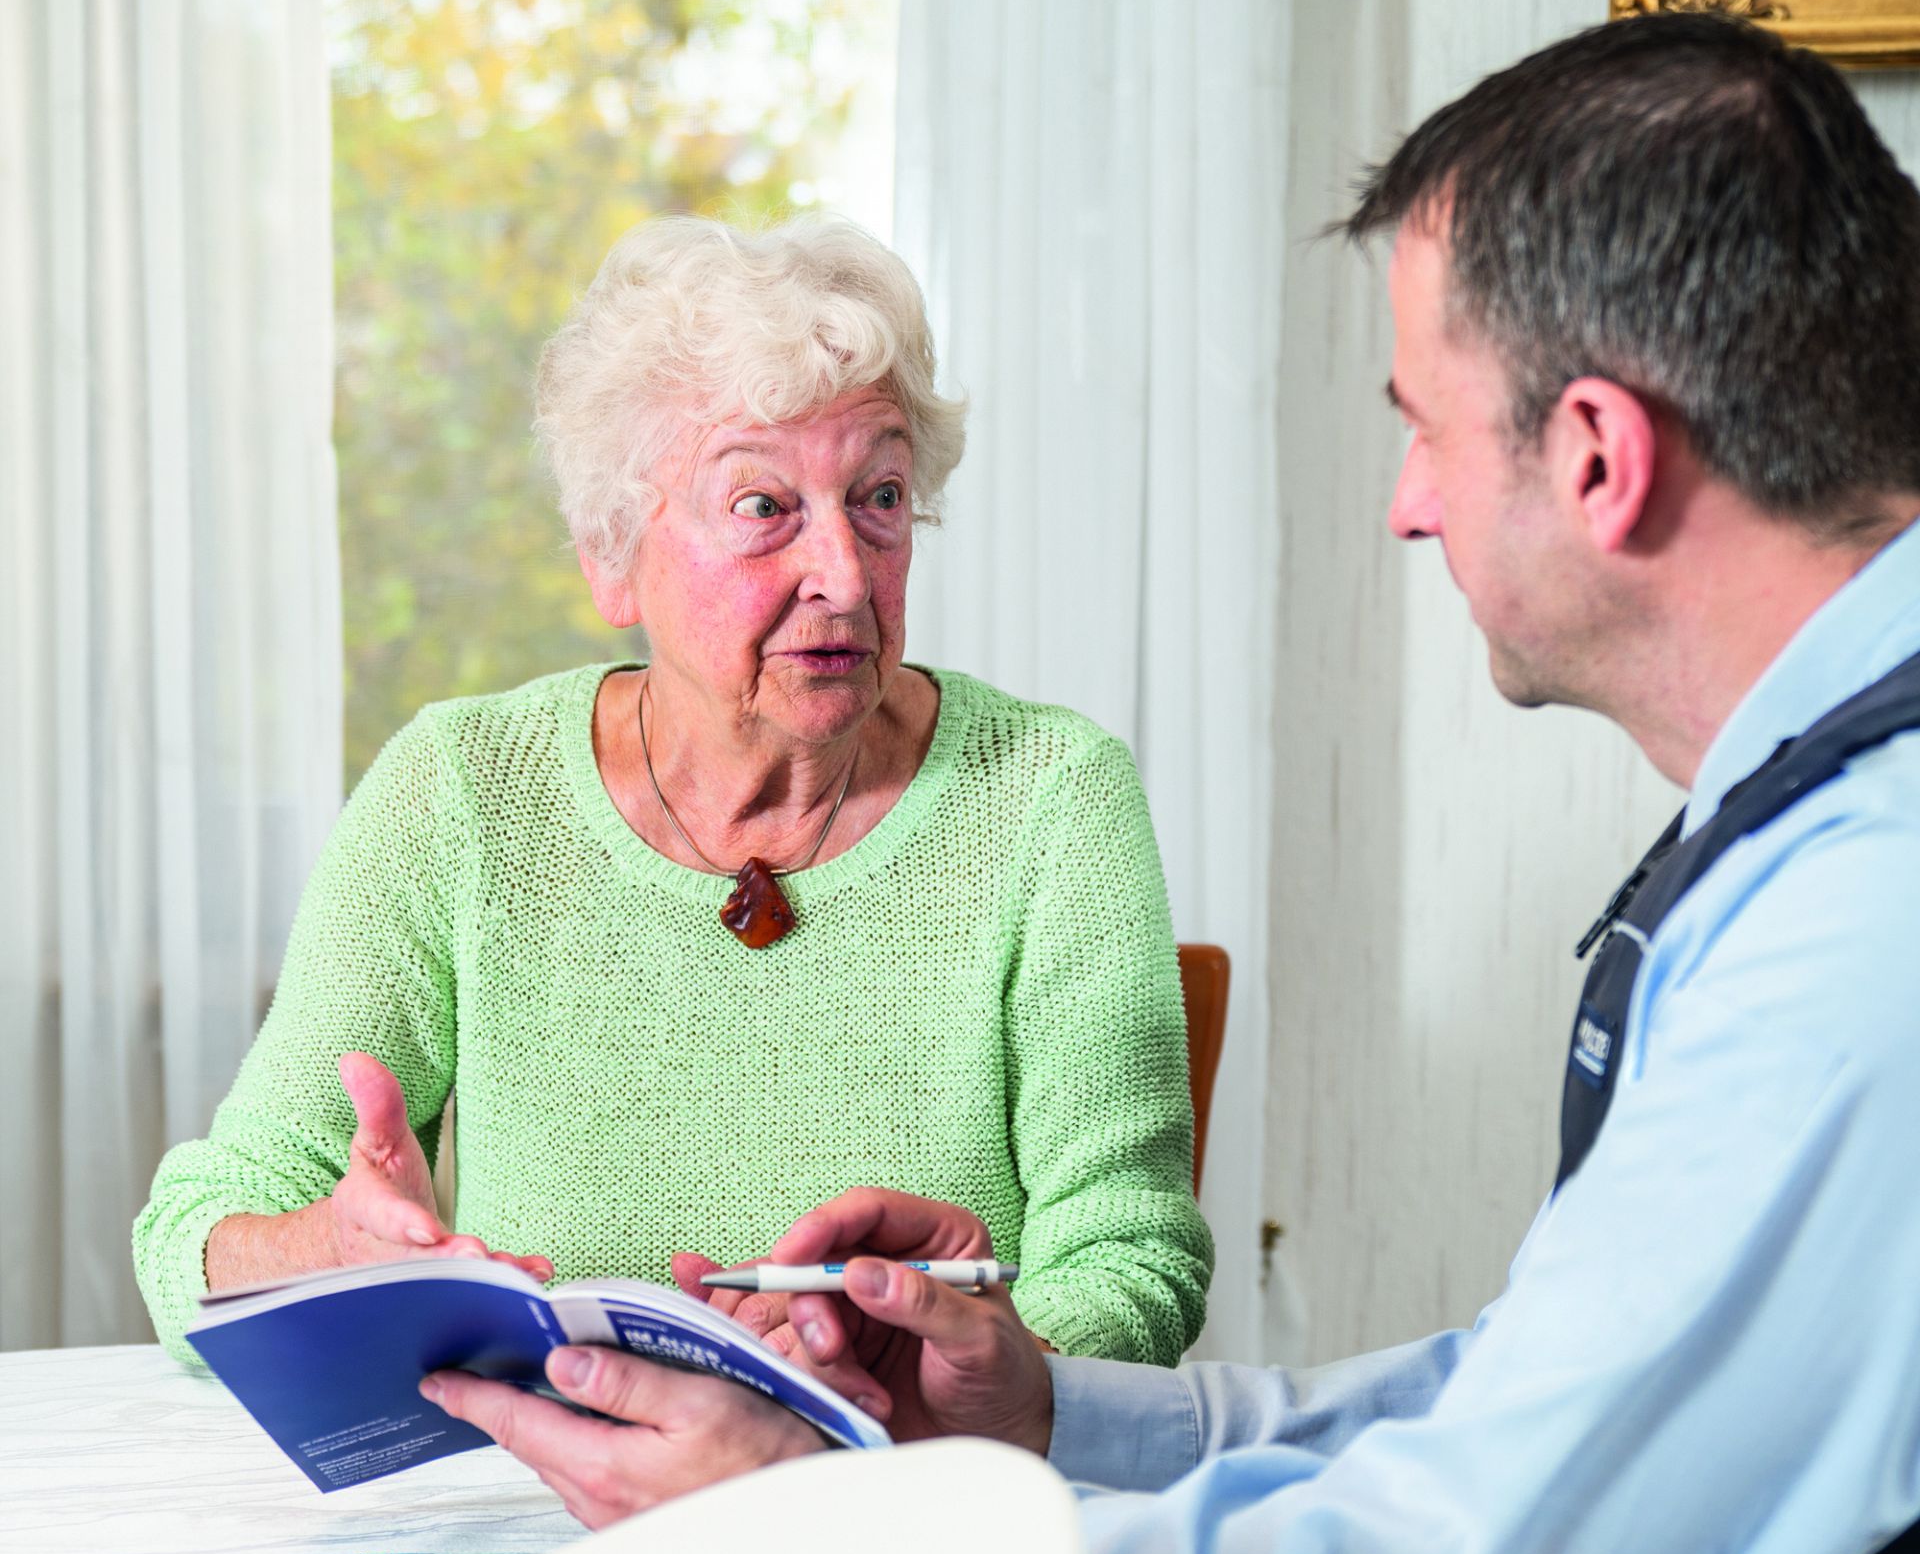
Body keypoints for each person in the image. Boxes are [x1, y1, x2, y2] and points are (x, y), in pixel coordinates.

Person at [426, 15, 1920, 1554]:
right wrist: (1044, 1418)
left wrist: (868, 1534)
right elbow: (1539, 1398)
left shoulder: (1868, 923)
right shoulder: (1815, 833)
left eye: (1418, 425)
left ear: (1595, 454)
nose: (1405, 513)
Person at [134, 216, 1211, 1372]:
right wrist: (325, 1255)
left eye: (881, 497)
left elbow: (1130, 1262)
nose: (843, 575)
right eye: (763, 507)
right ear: (612, 550)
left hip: (909, 1498)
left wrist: (953, 1381)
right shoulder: (462, 792)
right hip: (548, 1512)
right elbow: (192, 1240)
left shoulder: (1050, 799)